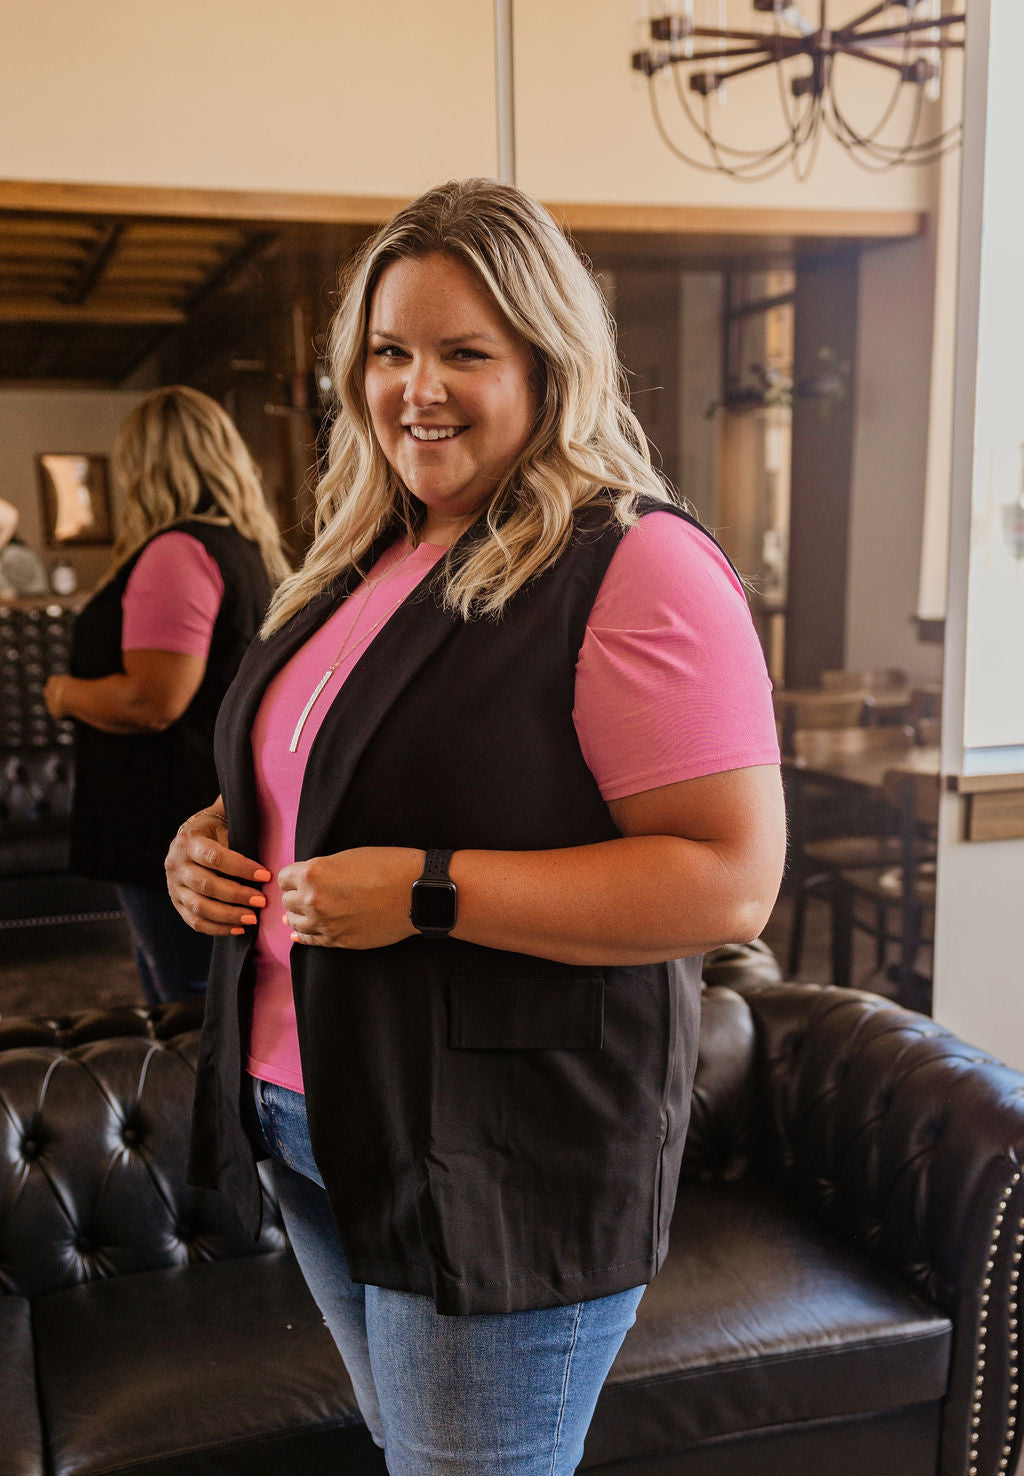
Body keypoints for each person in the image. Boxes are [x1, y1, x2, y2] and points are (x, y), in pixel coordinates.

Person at [165, 180, 785, 1474]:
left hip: (501, 1150)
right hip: (321, 1115)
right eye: (390, 351)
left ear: (548, 364)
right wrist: (214, 843)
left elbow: (729, 881)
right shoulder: (366, 552)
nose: (417, 389)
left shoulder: (633, 560)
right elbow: (325, 775)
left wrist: (428, 891)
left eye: (464, 352)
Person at [44, 387, 289, 1003]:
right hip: (208, 806)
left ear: (144, 465)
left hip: (168, 815)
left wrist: (63, 693)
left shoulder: (178, 550)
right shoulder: (250, 551)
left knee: (187, 1005)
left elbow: (152, 701)